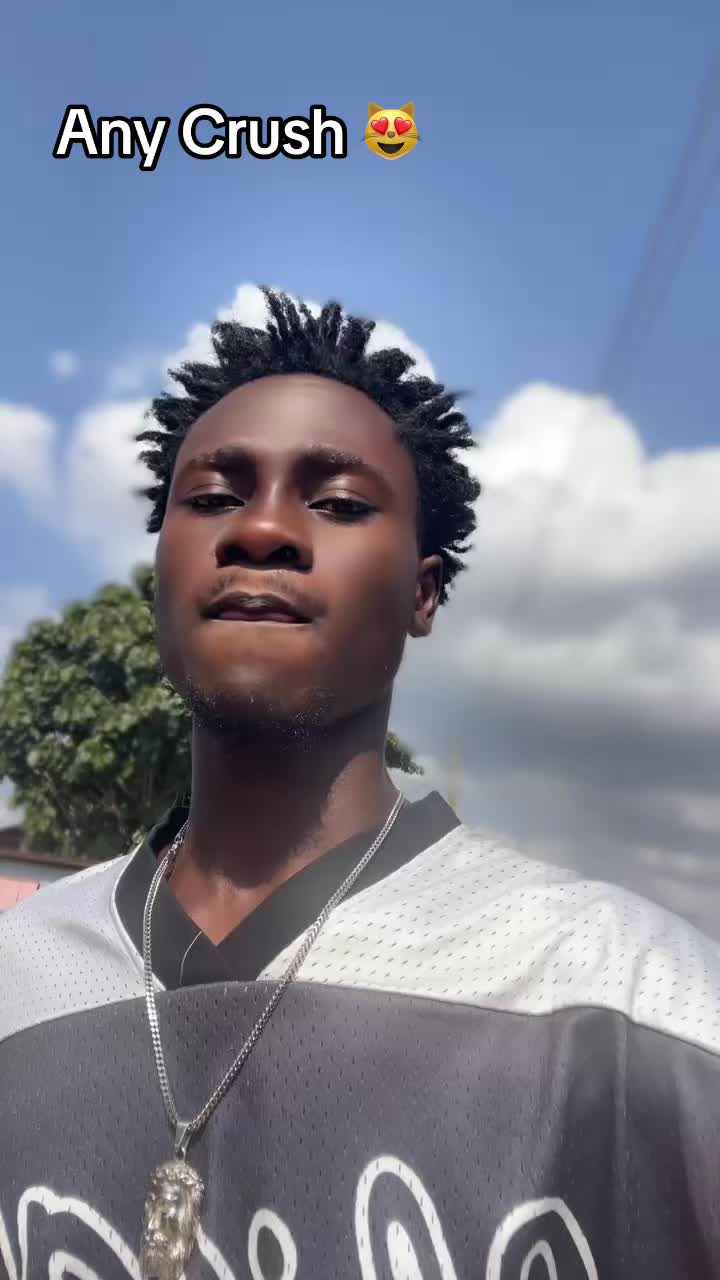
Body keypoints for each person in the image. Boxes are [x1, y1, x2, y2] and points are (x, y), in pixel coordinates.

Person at [1, 289, 719, 1280]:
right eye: (212, 497)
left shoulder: (635, 999)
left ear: (424, 591)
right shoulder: (16, 975)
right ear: (160, 567)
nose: (261, 529)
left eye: (338, 502)